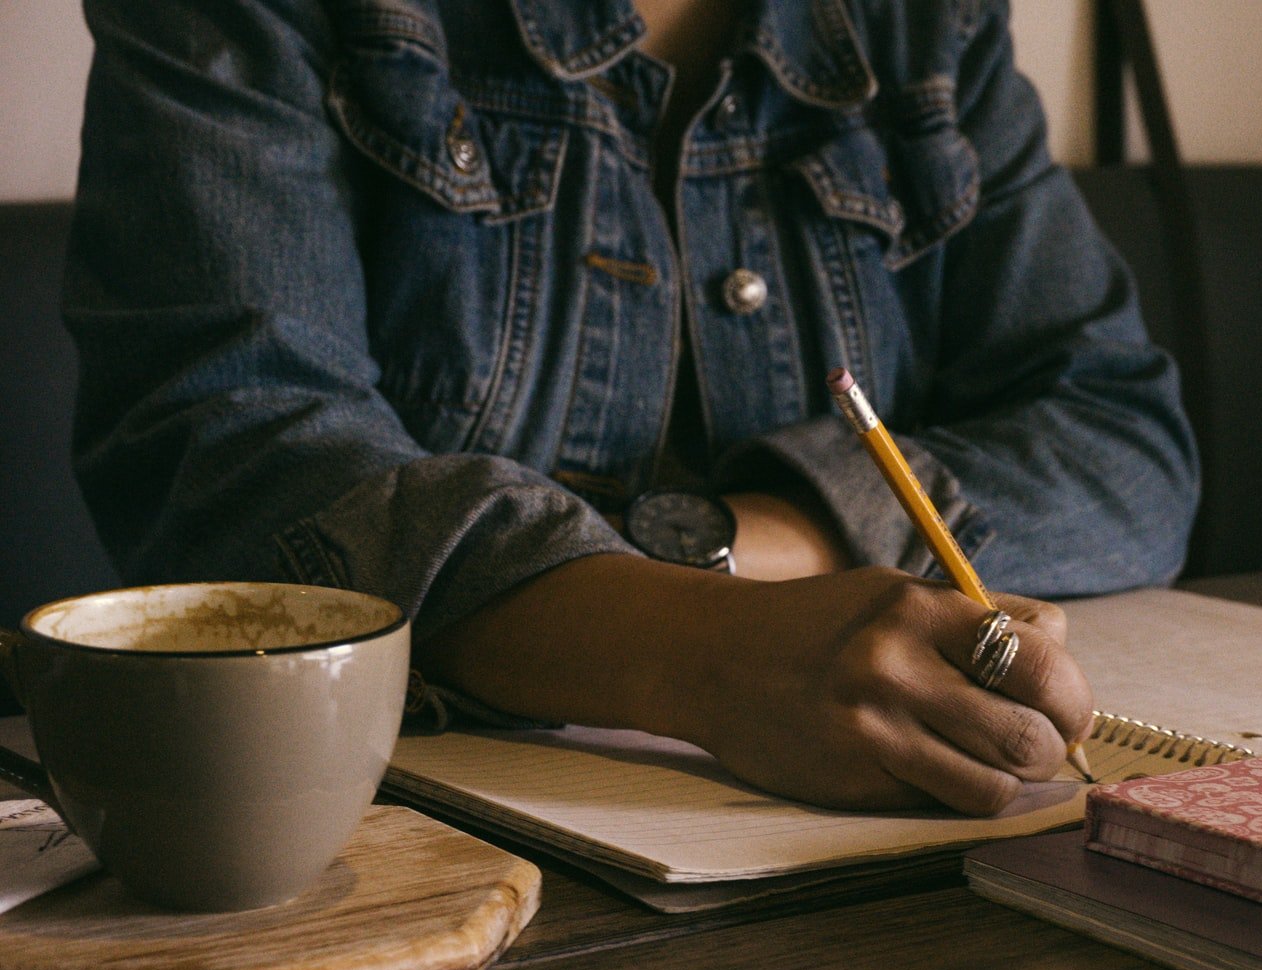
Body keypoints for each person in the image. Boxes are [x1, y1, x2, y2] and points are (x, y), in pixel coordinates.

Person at [64, 0, 1198, 816]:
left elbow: (1124, 443)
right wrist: (698, 653)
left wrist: (722, 547)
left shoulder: (925, 28)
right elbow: (225, 454)